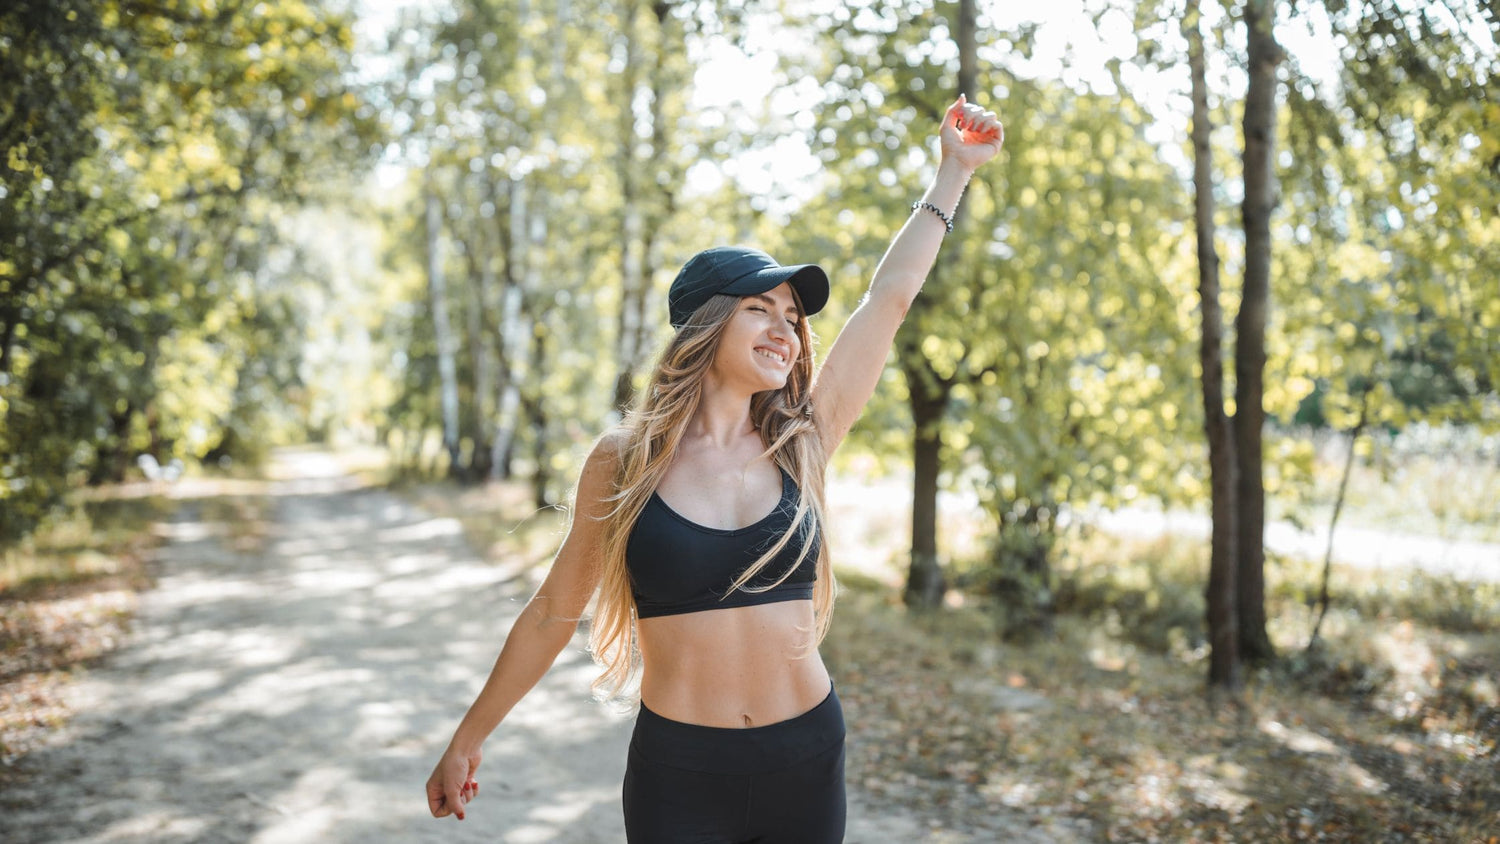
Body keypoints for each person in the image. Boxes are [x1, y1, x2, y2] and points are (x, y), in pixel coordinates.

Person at [426, 93, 1004, 842]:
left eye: (793, 318)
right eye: (760, 309)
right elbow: (550, 612)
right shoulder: (625, 462)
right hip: (682, 772)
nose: (786, 330)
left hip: (806, 756)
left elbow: (886, 303)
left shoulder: (804, 439)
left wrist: (952, 175)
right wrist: (468, 738)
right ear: (706, 325)